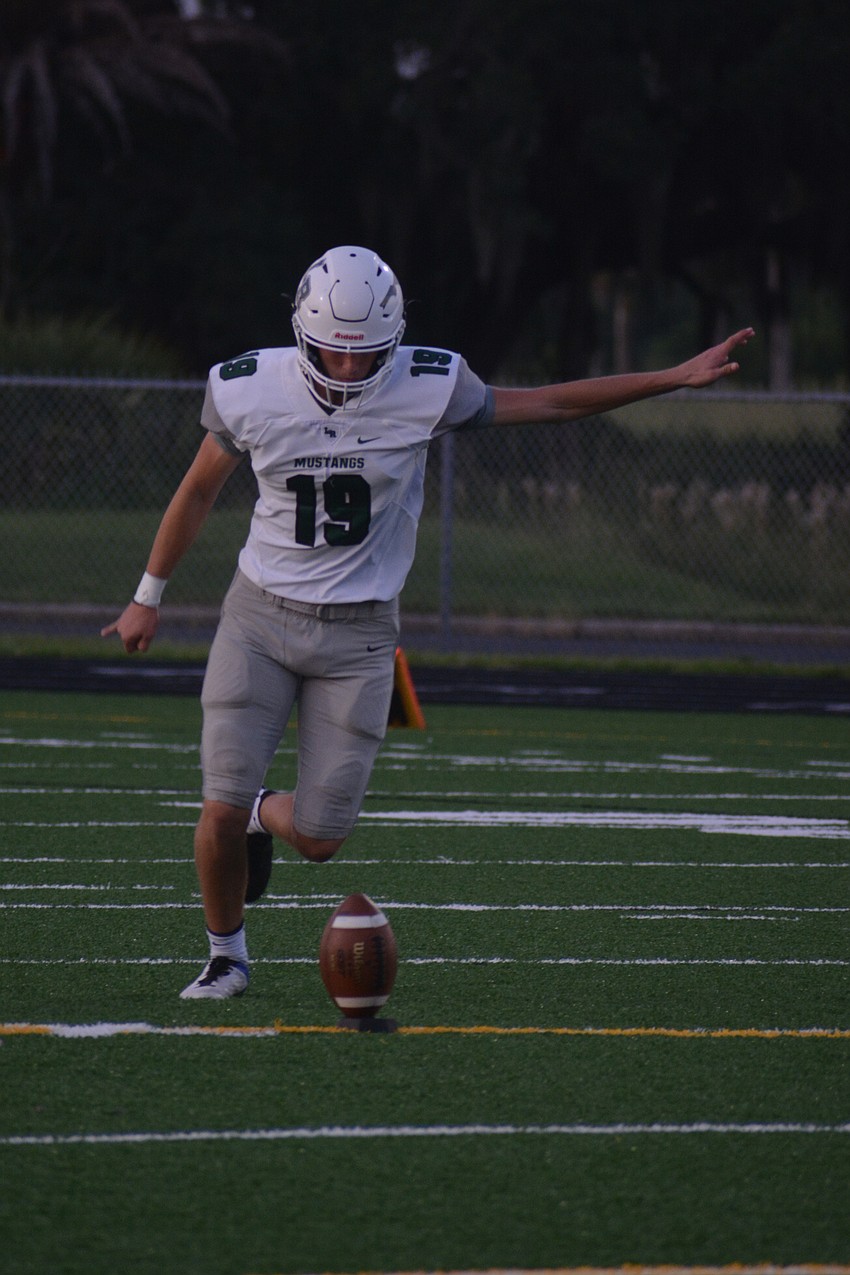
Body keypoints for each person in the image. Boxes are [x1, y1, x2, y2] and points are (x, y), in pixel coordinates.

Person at [102, 244, 754, 999]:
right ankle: (227, 955)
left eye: (366, 356)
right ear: (300, 334)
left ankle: (259, 809)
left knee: (318, 837)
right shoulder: (251, 388)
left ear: (397, 340)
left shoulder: (429, 385)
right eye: (331, 355)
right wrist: (149, 592)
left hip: (361, 634)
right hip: (259, 616)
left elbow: (550, 401)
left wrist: (672, 377)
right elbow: (196, 493)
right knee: (214, 806)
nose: (347, 372)